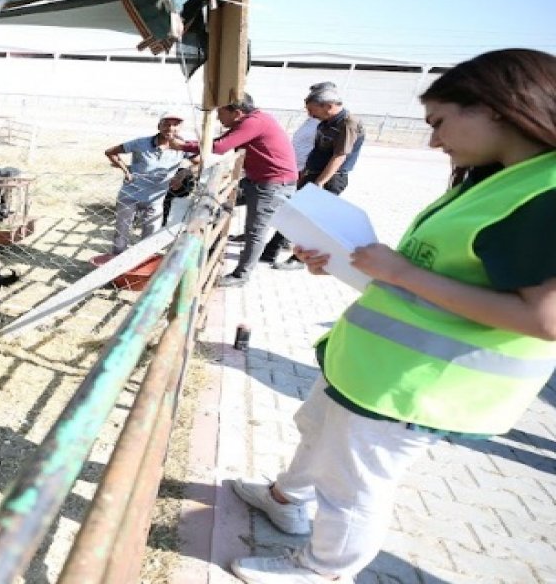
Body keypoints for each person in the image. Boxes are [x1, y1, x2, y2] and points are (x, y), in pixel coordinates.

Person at [228, 48, 556, 584]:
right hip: (375, 366)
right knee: (317, 430)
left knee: (353, 484)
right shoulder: (500, 178)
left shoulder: (545, 191)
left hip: (420, 382)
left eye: (440, 123)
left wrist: (401, 273)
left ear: (494, 107)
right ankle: (285, 499)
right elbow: (446, 272)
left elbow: (545, 320)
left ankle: (323, 569)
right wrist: (346, 260)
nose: (434, 141)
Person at [170, 94, 298, 287]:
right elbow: (221, 141)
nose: (219, 119)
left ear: (237, 113)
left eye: (220, 113)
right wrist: (189, 146)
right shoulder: (254, 120)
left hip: (271, 184)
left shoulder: (254, 122)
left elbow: (220, 147)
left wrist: (182, 146)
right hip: (258, 180)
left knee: (255, 231)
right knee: (217, 203)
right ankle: (212, 246)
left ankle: (241, 276)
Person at [259, 81, 337, 266]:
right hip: (299, 169)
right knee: (292, 212)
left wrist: (316, 177)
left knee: (299, 214)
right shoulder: (313, 119)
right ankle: (278, 247)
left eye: (314, 98)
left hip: (309, 172)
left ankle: (287, 254)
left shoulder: (330, 124)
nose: (309, 104)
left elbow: (334, 154)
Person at [103, 112, 195, 253]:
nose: (170, 128)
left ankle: (140, 267)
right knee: (121, 234)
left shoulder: (183, 147)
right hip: (130, 195)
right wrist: (126, 170)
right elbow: (110, 152)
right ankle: (116, 266)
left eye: (175, 125)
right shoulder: (141, 143)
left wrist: (182, 174)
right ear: (159, 126)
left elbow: (198, 163)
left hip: (155, 199)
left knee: (150, 237)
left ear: (180, 128)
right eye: (166, 124)